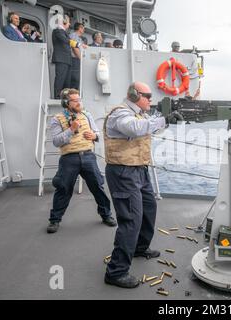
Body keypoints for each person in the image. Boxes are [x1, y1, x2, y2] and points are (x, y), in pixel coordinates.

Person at [103, 82, 166, 288]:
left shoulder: (140, 114)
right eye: (147, 95)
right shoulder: (120, 114)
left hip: (140, 169)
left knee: (149, 209)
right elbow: (133, 128)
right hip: (123, 172)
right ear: (134, 94)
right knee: (130, 219)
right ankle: (116, 271)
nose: (151, 99)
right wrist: (163, 118)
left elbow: (150, 130)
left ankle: (140, 247)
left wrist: (168, 120)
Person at [46, 88, 116, 233]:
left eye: (79, 99)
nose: (79, 102)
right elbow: (56, 141)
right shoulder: (57, 119)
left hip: (88, 157)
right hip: (68, 159)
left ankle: (106, 215)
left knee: (98, 187)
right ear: (66, 102)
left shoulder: (86, 115)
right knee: (63, 189)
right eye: (75, 100)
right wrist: (71, 129)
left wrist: (94, 136)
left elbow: (97, 132)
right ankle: (54, 220)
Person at [52, 15, 86, 98]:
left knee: (67, 80)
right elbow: (65, 40)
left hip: (67, 59)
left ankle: (65, 96)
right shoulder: (57, 31)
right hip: (61, 59)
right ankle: (57, 96)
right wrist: (78, 44)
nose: (69, 24)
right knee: (60, 78)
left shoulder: (63, 32)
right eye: (68, 22)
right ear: (64, 22)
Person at [69, 22, 85, 90]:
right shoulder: (73, 35)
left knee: (77, 80)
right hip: (74, 60)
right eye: (83, 28)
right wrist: (81, 59)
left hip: (77, 60)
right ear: (79, 28)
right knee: (75, 79)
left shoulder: (79, 38)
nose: (84, 30)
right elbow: (75, 48)